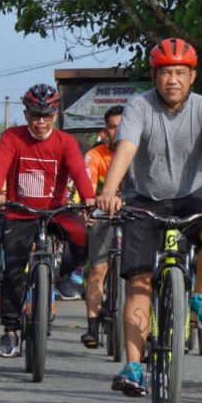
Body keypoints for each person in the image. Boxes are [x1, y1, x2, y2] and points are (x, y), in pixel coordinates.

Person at [94, 38, 202, 395]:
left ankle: (201, 294)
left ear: (192, 76)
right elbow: (126, 149)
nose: (173, 80)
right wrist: (109, 192)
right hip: (143, 198)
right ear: (154, 75)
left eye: (180, 72)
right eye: (165, 73)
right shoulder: (139, 106)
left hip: (191, 197)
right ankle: (133, 365)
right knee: (139, 283)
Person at [0, 84, 95, 358]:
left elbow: (79, 173)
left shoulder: (65, 142)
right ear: (26, 114)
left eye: (46, 115)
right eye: (35, 115)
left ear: (55, 115)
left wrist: (90, 199)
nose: (40, 121)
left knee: (82, 236)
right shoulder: (12, 137)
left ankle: (64, 277)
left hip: (55, 211)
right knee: (12, 271)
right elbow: (0, 163)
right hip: (19, 213)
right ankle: (10, 331)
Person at [79, 105, 122, 349]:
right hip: (103, 216)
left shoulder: (138, 153)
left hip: (133, 215)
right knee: (97, 270)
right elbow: (87, 187)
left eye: (122, 126)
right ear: (104, 131)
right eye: (113, 127)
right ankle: (92, 327)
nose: (118, 132)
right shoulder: (94, 156)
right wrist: (89, 210)